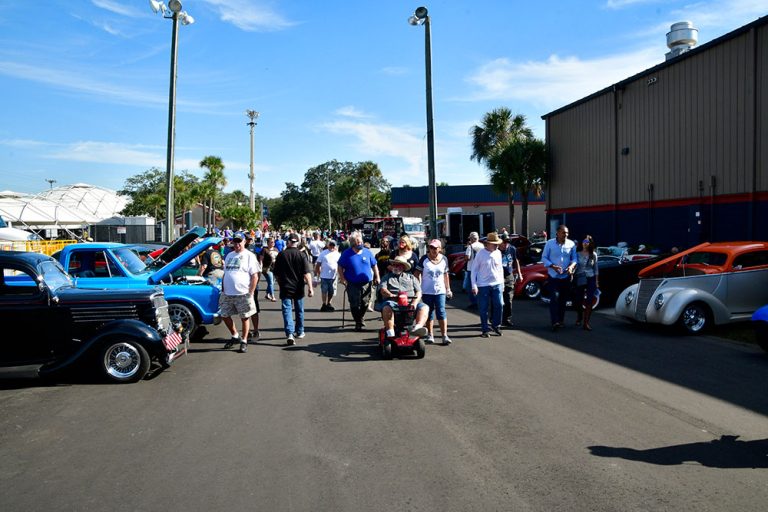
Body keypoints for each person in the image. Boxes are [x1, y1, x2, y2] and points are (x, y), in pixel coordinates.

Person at [220, 234, 260, 353]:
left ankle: (244, 340)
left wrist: (251, 292)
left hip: (243, 293)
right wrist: (223, 288)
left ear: (244, 242)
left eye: (239, 242)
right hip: (227, 293)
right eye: (235, 242)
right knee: (224, 315)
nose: (237, 245)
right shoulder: (229, 255)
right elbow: (225, 273)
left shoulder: (249, 256)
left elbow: (255, 276)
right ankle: (235, 335)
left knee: (244, 317)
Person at [274, 232, 314, 345]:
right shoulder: (302, 255)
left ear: (288, 242)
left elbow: (276, 273)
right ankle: (300, 331)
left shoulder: (281, 255)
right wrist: (310, 287)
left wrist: (280, 282)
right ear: (297, 242)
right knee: (299, 310)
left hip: (285, 287)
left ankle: (290, 333)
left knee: (287, 310)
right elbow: (307, 273)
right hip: (298, 287)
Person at [376, 256, 429, 338]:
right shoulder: (386, 277)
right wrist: (390, 295)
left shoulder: (412, 278)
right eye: (394, 265)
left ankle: (417, 328)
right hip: (393, 302)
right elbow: (383, 290)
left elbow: (418, 291)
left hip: (410, 302)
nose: (396, 267)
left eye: (399, 265)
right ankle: (390, 332)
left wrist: (414, 303)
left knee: (424, 307)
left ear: (403, 267)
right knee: (387, 307)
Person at [337, 231, 380, 331]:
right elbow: (340, 266)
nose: (360, 243)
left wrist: (377, 277)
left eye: (361, 241)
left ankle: (360, 318)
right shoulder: (346, 253)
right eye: (357, 242)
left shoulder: (367, 252)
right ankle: (358, 321)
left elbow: (374, 265)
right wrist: (342, 278)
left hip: (366, 282)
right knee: (354, 303)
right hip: (352, 283)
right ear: (352, 242)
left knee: (365, 302)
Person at [414, 239, 453, 345]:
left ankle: (444, 335)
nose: (433, 250)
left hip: (440, 291)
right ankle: (430, 335)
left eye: (435, 248)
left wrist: (448, 289)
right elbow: (416, 273)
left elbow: (446, 275)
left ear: (440, 249)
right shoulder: (424, 259)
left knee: (441, 311)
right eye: (431, 247)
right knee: (429, 312)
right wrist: (418, 288)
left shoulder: (444, 259)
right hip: (427, 291)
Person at [541, 224, 577, 331]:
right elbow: (544, 258)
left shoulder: (571, 244)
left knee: (563, 300)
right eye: (563, 232)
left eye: (567, 233)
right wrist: (553, 266)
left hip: (565, 277)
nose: (565, 235)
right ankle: (554, 322)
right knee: (554, 299)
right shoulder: (550, 243)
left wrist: (571, 267)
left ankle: (560, 320)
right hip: (553, 276)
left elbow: (574, 259)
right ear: (557, 233)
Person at [471, 232, 505, 338]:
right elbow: (474, 270)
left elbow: (500, 269)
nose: (496, 245)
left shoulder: (498, 253)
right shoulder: (481, 254)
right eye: (494, 244)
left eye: (497, 244)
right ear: (488, 243)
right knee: (483, 308)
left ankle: (496, 325)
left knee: (499, 304)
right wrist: (474, 285)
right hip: (483, 284)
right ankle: (485, 329)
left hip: (497, 283)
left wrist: (502, 284)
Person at [574, 235, 599, 331]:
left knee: (589, 301)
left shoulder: (593, 255)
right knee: (578, 301)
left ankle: (586, 322)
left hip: (591, 278)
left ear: (590, 244)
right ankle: (579, 316)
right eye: (584, 241)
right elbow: (574, 265)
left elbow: (596, 269)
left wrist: (597, 281)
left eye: (588, 242)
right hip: (580, 277)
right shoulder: (577, 253)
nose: (585, 243)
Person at [499, 233, 522, 328]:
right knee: (497, 299)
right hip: (498, 277)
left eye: (507, 242)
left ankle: (506, 319)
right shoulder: (496, 250)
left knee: (508, 299)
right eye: (504, 242)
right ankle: (494, 318)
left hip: (509, 276)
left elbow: (516, 261)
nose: (506, 244)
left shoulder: (512, 249)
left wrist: (519, 273)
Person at [315, 239, 341, 311]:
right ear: (328, 246)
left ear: (335, 246)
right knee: (324, 291)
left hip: (333, 277)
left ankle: (329, 303)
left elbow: (340, 266)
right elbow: (318, 265)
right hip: (324, 276)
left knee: (331, 291)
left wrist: (341, 276)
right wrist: (319, 274)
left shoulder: (338, 254)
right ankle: (324, 304)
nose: (332, 247)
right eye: (330, 245)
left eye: (333, 245)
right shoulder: (323, 253)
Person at [463, 232, 484, 309]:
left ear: (471, 239)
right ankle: (481, 302)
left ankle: (474, 302)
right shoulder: (482, 246)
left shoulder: (470, 246)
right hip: (481, 269)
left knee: (470, 287)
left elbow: (467, 258)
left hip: (471, 269)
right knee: (480, 286)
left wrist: (464, 257)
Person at [261, 237, 278, 301]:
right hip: (267, 268)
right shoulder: (264, 250)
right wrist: (260, 267)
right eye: (271, 242)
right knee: (270, 282)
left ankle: (267, 294)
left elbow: (278, 258)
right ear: (268, 243)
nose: (273, 243)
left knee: (272, 282)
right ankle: (272, 296)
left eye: (273, 242)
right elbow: (261, 259)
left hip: (275, 268)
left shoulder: (276, 250)